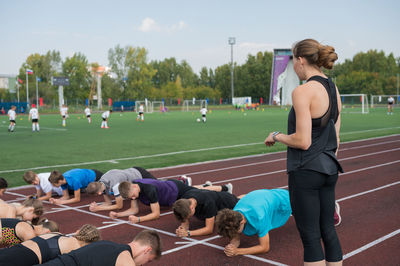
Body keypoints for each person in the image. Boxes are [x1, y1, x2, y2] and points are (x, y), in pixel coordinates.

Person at [265, 39, 343, 265]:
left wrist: (277, 135)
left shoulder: (303, 91)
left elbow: (302, 140)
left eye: (293, 60)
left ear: (300, 60)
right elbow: (336, 138)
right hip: (329, 169)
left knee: (310, 238)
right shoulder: (333, 88)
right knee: (328, 231)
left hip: (305, 171)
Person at [113, 177, 232, 224]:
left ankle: (225, 188)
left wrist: (138, 219)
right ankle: (206, 185)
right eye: (131, 198)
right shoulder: (134, 187)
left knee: (201, 192)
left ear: (133, 186)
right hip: (168, 187)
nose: (133, 198)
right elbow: (134, 209)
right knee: (199, 190)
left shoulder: (149, 190)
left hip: (175, 190)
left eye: (133, 195)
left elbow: (156, 214)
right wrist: (119, 214)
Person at [215, 189, 291, 257]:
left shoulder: (259, 217)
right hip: (266, 196)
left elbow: (265, 247)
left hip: (285, 201)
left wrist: (238, 251)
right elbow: (236, 238)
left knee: (301, 218)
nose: (234, 234)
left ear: (242, 221)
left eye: (235, 232)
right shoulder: (234, 214)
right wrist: (232, 246)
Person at [38, 229, 162, 266]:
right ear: (147, 250)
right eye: (148, 260)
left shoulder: (106, 244)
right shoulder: (125, 259)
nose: (143, 264)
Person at [0, 224, 100, 266]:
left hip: (16, 249)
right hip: (22, 259)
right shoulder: (76, 248)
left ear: (78, 231)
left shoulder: (57, 234)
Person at [172, 181, 238, 237]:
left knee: (240, 202)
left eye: (189, 216)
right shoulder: (184, 199)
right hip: (213, 196)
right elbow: (184, 220)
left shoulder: (207, 203)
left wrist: (188, 233)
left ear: (192, 208)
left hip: (228, 202)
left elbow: (209, 229)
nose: (188, 218)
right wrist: (182, 227)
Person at [86, 167, 157, 212]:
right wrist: (97, 206)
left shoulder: (115, 186)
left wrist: (98, 209)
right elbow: (108, 202)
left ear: (99, 193)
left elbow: (119, 206)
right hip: (131, 172)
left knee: (159, 188)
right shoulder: (101, 182)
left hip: (140, 174)